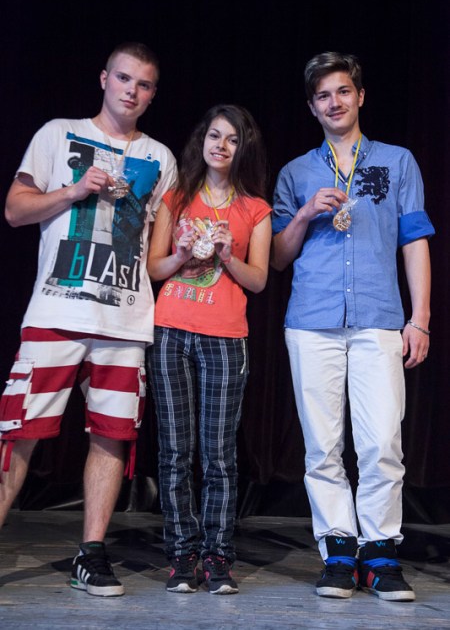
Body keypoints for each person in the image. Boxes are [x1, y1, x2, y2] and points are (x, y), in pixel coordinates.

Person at [0, 42, 177, 597]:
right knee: (18, 434)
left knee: (110, 436)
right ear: (104, 79)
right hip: (56, 308)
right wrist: (74, 190)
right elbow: (14, 210)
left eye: (143, 84)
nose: (131, 91)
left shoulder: (161, 157)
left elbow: (158, 251)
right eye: (124, 78)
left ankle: (92, 553)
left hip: (124, 319)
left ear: (152, 94)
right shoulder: (58, 134)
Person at [271, 52, 434, 602]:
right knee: (322, 446)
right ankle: (339, 551)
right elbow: (277, 258)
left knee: (382, 440)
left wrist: (420, 319)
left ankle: (381, 551)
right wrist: (304, 213)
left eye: (343, 91)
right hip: (312, 321)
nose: (334, 102)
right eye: (323, 95)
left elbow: (414, 240)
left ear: (360, 96)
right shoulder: (296, 172)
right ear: (312, 107)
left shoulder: (397, 161)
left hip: (379, 318)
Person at [147, 104, 271, 594]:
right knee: (175, 451)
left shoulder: (255, 209)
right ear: (202, 141)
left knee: (218, 454)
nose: (221, 145)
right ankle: (182, 554)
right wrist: (181, 253)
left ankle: (218, 555)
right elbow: (155, 268)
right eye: (215, 136)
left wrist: (227, 255)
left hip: (225, 337)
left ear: (243, 149)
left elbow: (258, 280)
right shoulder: (176, 197)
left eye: (232, 139)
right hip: (171, 331)